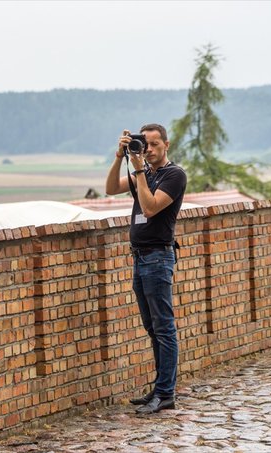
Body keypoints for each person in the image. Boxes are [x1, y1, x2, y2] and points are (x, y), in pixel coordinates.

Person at [105, 123, 186, 414]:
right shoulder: (145, 173)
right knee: (153, 328)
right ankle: (159, 388)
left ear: (166, 144)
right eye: (144, 145)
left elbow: (150, 208)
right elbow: (111, 188)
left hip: (157, 258)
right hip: (140, 258)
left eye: (153, 144)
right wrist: (119, 156)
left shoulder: (173, 175)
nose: (148, 150)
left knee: (164, 328)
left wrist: (139, 170)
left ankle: (166, 394)